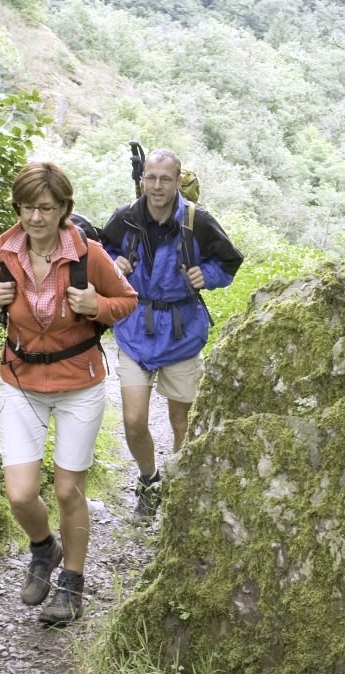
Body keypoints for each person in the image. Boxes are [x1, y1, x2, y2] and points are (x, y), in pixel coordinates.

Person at [0, 162, 137, 625]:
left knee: (67, 491)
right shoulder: (3, 249)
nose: (35, 218)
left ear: (64, 208)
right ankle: (45, 548)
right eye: (27, 207)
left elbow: (127, 299)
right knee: (21, 495)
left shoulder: (87, 253)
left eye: (46, 208)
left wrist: (96, 305)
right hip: (20, 380)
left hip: (79, 383)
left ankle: (72, 584)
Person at [100, 149, 243, 519]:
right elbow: (99, 249)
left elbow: (229, 261)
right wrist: (114, 262)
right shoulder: (126, 219)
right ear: (142, 179)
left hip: (181, 332)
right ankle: (150, 481)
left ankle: (178, 490)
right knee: (133, 420)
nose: (158, 186)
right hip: (135, 327)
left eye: (165, 179)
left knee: (182, 421)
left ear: (178, 180)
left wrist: (206, 277)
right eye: (151, 178)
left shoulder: (198, 222)